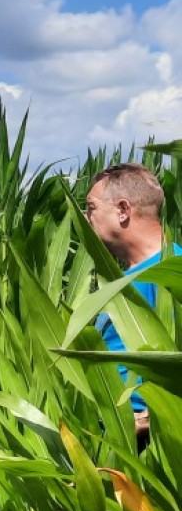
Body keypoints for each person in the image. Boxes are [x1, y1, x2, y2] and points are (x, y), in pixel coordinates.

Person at [86, 162, 181, 448]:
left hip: (153, 445)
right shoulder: (126, 277)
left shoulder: (172, 269)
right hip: (116, 436)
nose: (85, 218)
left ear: (123, 210)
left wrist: (154, 417)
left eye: (91, 208)